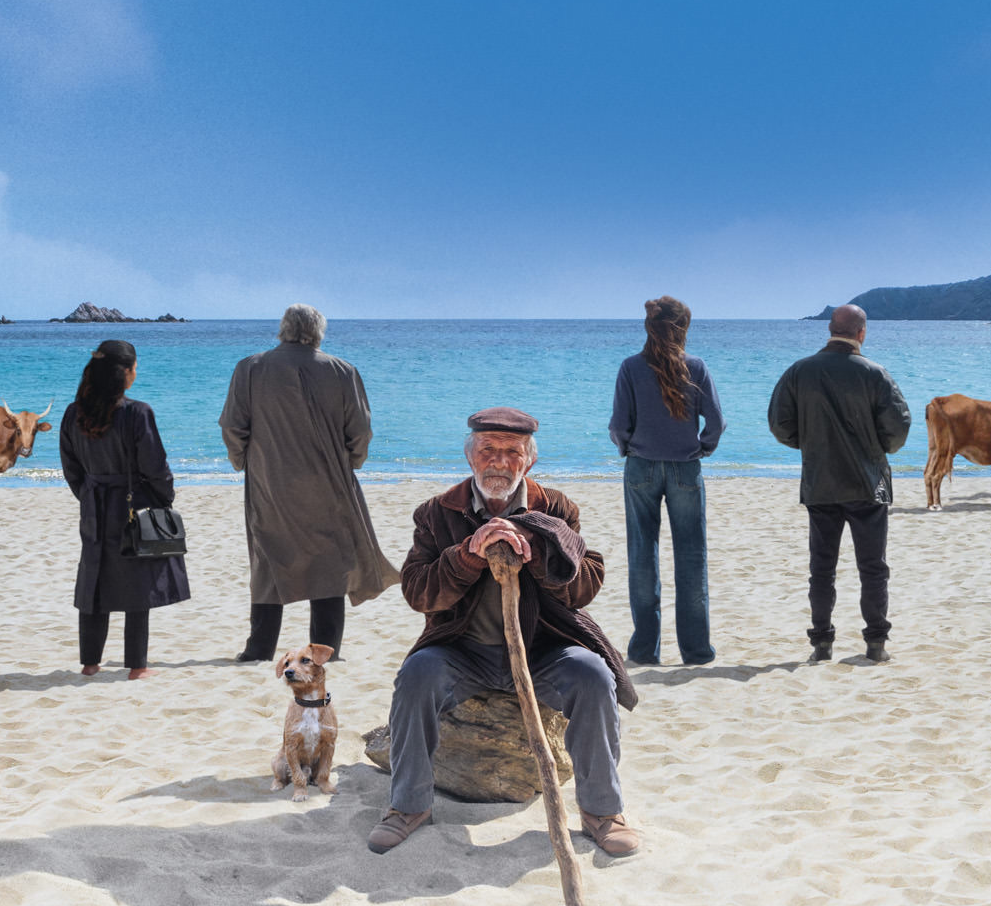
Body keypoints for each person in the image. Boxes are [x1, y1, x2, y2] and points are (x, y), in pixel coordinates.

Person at [369, 407, 641, 856]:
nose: (498, 461)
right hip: (462, 650)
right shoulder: (436, 513)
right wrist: (467, 555)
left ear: (529, 460)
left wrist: (538, 549)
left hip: (542, 649)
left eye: (512, 451)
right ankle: (408, 806)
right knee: (416, 675)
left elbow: (586, 583)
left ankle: (602, 812)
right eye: (487, 449)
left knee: (594, 675)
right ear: (470, 456)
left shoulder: (555, 509)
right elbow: (418, 591)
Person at [219, 304, 401, 662]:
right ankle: (324, 651)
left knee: (268, 558)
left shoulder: (250, 368)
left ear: (283, 329)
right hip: (328, 481)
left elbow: (232, 426)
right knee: (329, 563)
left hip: (270, 480)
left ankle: (259, 649)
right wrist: (352, 463)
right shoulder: (342, 371)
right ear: (318, 332)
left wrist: (243, 461)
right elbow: (360, 431)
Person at [767, 305, 911, 664]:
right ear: (862, 333)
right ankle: (876, 644)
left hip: (820, 482)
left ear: (830, 329)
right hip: (869, 483)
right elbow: (898, 429)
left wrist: (811, 443)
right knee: (873, 567)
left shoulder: (799, 371)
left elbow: (780, 424)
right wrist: (877, 448)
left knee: (822, 569)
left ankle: (821, 644)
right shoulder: (875, 373)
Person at [60, 339, 191, 678]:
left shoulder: (74, 413)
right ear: (124, 373)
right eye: (134, 368)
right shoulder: (137, 412)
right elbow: (156, 466)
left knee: (94, 579)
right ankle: (137, 666)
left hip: (94, 505)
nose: (136, 373)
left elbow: (71, 468)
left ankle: (90, 663)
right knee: (137, 581)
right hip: (134, 503)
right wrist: (164, 498)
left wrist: (88, 496)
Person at [608, 295, 725, 666]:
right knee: (691, 557)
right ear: (683, 328)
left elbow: (618, 425)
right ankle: (696, 651)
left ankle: (645, 651)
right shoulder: (697, 367)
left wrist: (628, 448)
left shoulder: (630, 367)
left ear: (649, 327)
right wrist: (702, 448)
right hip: (685, 469)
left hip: (641, 467)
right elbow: (716, 422)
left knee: (642, 555)